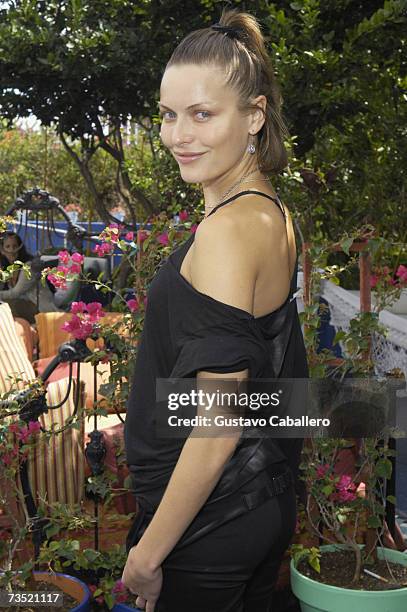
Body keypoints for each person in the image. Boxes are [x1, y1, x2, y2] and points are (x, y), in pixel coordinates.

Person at [123, 9, 308, 612]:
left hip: (208, 526)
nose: (180, 135)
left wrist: (149, 557)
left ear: (253, 115)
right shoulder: (269, 212)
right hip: (254, 506)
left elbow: (220, 422)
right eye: (169, 115)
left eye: (203, 114)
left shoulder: (231, 230)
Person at [0, 231, 59, 322]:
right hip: (26, 305)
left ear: (20, 248)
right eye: (7, 246)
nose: (11, 250)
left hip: (40, 308)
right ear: (2, 250)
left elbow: (15, 293)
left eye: (15, 246)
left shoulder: (28, 266)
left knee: (6, 307)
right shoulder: (6, 267)